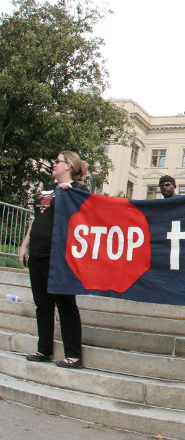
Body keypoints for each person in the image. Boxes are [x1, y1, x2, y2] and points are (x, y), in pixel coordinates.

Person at [18, 151, 90, 369]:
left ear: (68, 165)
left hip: (60, 256)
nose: (53, 164)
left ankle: (74, 355)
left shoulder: (78, 190)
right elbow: (38, 217)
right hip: (38, 252)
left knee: (66, 304)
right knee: (42, 304)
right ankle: (44, 349)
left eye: (57, 161)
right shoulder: (47, 188)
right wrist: (24, 245)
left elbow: (89, 215)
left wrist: (70, 196)